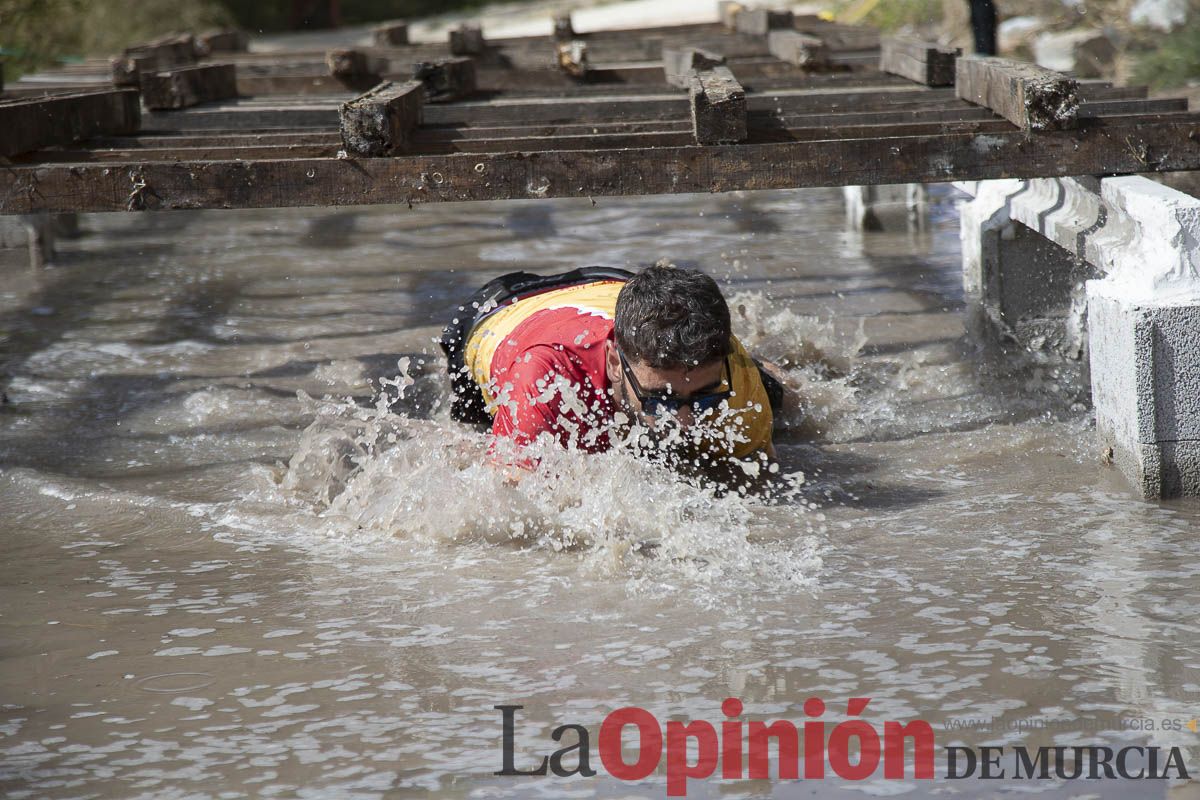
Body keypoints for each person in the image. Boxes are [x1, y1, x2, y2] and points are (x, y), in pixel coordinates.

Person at [439, 264, 788, 478]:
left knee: (781, 399)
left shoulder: (730, 370)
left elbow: (755, 474)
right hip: (502, 306)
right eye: (660, 399)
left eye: (704, 397)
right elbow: (507, 500)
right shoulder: (544, 377)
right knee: (474, 436)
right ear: (614, 362)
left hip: (615, 285)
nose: (685, 422)